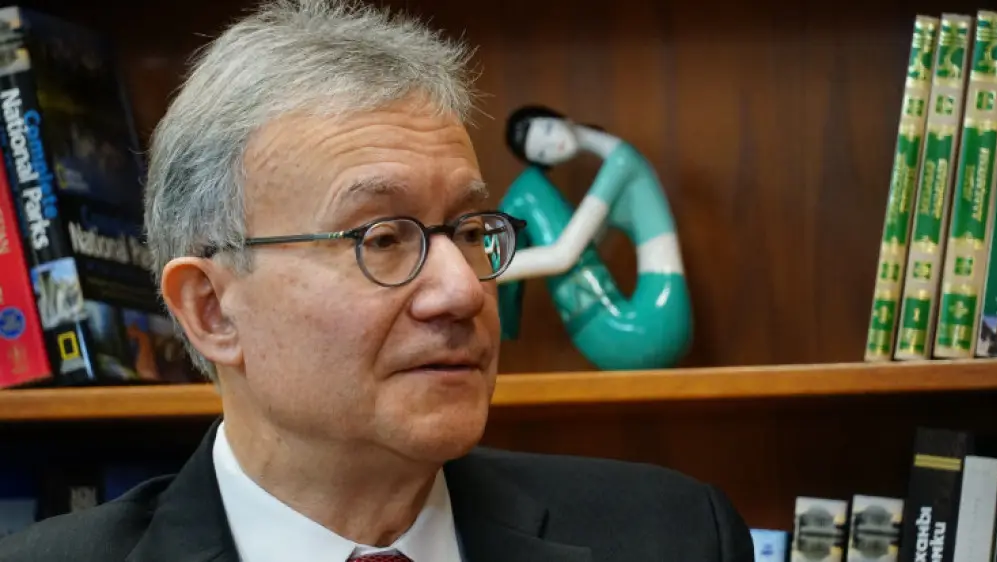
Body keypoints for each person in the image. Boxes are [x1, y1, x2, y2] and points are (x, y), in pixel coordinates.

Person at [0, 1, 755, 561]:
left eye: (470, 231)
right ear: (212, 310)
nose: (463, 291)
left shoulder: (673, 537)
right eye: (383, 239)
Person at [496, 105, 693, 370]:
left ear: (563, 118)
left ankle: (500, 322)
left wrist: (491, 271)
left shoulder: (621, 164)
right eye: (542, 153)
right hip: (662, 319)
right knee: (526, 193)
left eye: (549, 129)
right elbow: (588, 244)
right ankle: (501, 320)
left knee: (528, 191)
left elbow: (563, 257)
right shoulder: (622, 163)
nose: (553, 145)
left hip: (644, 331)